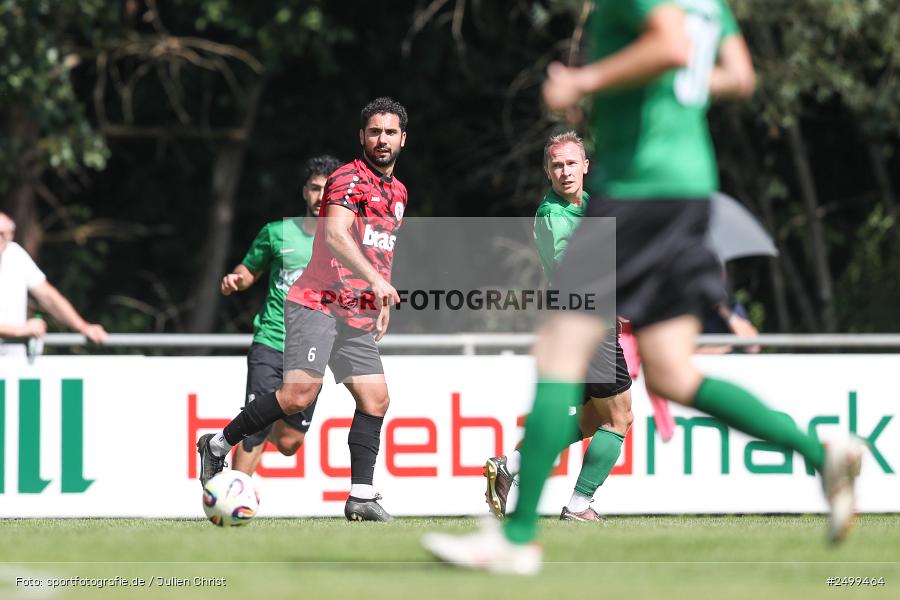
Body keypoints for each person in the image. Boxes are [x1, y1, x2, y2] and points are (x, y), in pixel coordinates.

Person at [424, 0, 862, 574]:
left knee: (560, 351)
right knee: (673, 373)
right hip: (690, 187)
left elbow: (669, 45)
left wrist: (585, 80)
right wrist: (649, 95)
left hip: (637, 186)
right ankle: (821, 453)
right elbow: (738, 76)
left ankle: (517, 537)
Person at [198, 97, 409, 522]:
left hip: (355, 313)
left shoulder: (398, 192)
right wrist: (374, 280)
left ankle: (361, 497)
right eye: (374, 131)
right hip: (316, 304)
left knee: (376, 399)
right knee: (297, 395)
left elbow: (378, 249)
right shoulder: (348, 178)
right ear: (362, 137)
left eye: (389, 132)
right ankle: (217, 444)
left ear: (403, 138)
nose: (381, 139)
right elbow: (335, 235)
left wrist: (377, 298)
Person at [483, 132, 634, 522]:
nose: (565, 171)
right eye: (557, 165)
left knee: (591, 420)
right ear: (547, 171)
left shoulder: (587, 204)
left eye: (571, 163)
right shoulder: (554, 215)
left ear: (585, 166)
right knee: (619, 418)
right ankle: (580, 506)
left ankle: (510, 466)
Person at [222, 155, 342, 475]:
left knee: (290, 442)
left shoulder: (344, 242)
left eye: (328, 190)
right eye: (315, 189)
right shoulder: (277, 233)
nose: (321, 197)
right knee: (256, 426)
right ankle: (231, 498)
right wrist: (237, 280)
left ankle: (260, 415)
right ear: (305, 191)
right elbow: (249, 270)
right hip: (271, 339)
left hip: (311, 348)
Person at [0, 212, 107, 355]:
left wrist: (83, 327)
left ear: (11, 235)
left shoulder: (15, 254)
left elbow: (48, 296)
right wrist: (20, 330)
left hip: (13, 365)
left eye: (2, 233)